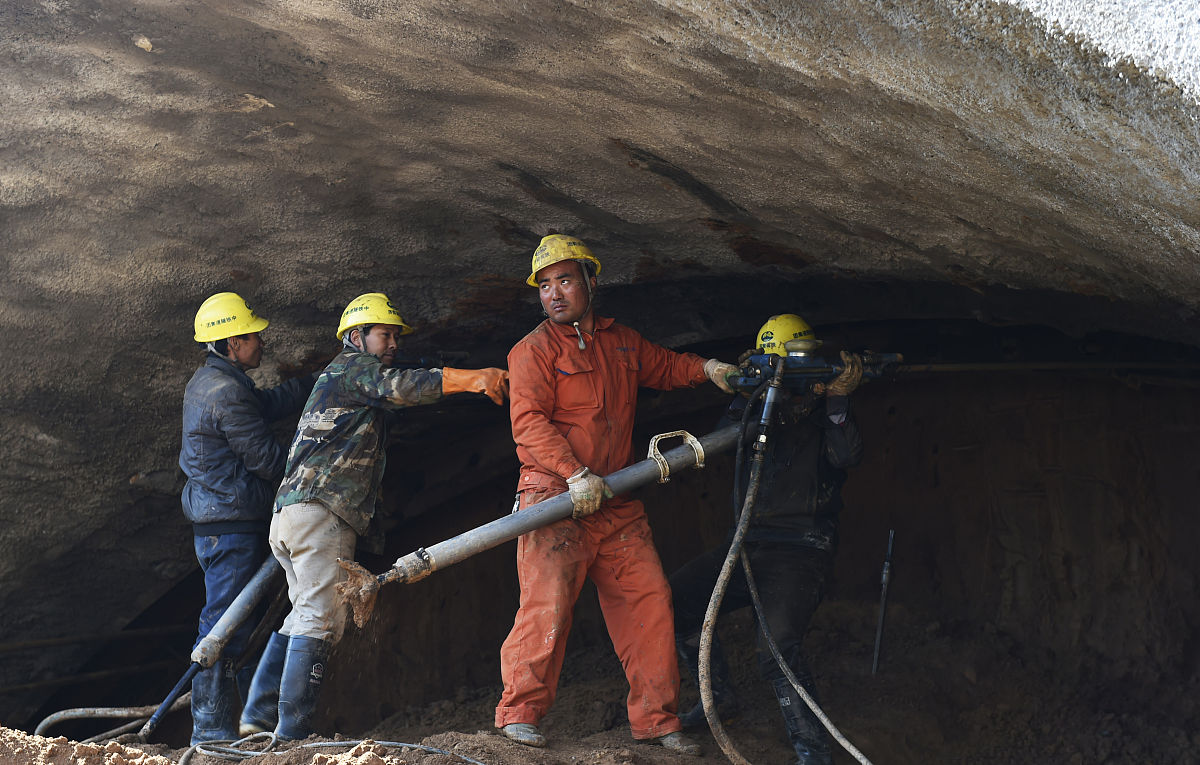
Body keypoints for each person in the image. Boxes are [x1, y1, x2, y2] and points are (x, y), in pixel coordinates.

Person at [494, 234, 739, 755]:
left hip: (615, 500)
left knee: (649, 601)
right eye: (544, 285)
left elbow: (667, 367)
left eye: (564, 280)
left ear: (590, 281)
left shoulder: (622, 342)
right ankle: (519, 714)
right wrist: (573, 473)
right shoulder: (531, 352)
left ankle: (657, 720)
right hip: (555, 499)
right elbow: (528, 424)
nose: (554, 294)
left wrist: (710, 370)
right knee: (547, 605)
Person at [245, 292, 509, 740]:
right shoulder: (352, 368)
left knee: (300, 613)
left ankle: (257, 717)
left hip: (292, 513)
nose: (393, 343)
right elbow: (401, 387)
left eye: (395, 336)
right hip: (321, 512)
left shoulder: (338, 378)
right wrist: (474, 379)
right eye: (384, 334)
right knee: (321, 618)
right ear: (355, 337)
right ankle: (289, 735)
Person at [670, 314, 863, 765]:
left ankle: (813, 754)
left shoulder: (826, 408)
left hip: (802, 547)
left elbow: (848, 454)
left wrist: (836, 401)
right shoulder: (757, 408)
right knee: (672, 599)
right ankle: (720, 699)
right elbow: (721, 443)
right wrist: (743, 394)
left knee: (775, 647)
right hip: (748, 543)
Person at [180, 291, 316, 745]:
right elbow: (268, 460)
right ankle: (211, 735)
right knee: (225, 624)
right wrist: (311, 468)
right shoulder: (225, 393)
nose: (261, 341)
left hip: (220, 520)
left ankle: (225, 728)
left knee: (230, 620)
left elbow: (264, 405)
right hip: (230, 524)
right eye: (253, 335)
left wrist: (315, 384)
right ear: (233, 342)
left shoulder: (214, 382)